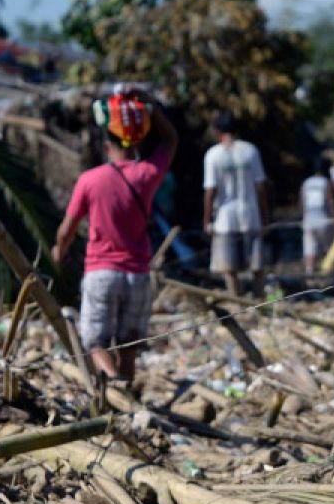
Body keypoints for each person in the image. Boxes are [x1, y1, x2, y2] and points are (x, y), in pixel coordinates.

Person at [52, 88, 178, 382]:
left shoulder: (90, 180)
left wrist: (60, 250)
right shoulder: (147, 174)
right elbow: (171, 139)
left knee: (94, 344)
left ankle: (116, 388)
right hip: (137, 274)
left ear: (106, 146)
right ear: (136, 145)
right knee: (129, 348)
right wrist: (149, 106)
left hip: (101, 272)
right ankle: (127, 400)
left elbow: (67, 229)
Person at [203, 111, 270, 296]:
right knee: (257, 266)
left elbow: (210, 191)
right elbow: (261, 187)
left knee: (228, 267)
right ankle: (259, 298)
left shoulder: (213, 155)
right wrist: (265, 217)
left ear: (217, 132)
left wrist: (206, 220)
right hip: (251, 214)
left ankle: (236, 298)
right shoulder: (250, 151)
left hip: (225, 218)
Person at [301, 162, 334, 274]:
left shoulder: (306, 182)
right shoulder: (325, 182)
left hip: (308, 220)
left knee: (310, 247)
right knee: (328, 247)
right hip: (323, 220)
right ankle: (327, 271)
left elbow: (303, 203)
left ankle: (309, 272)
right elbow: (330, 202)